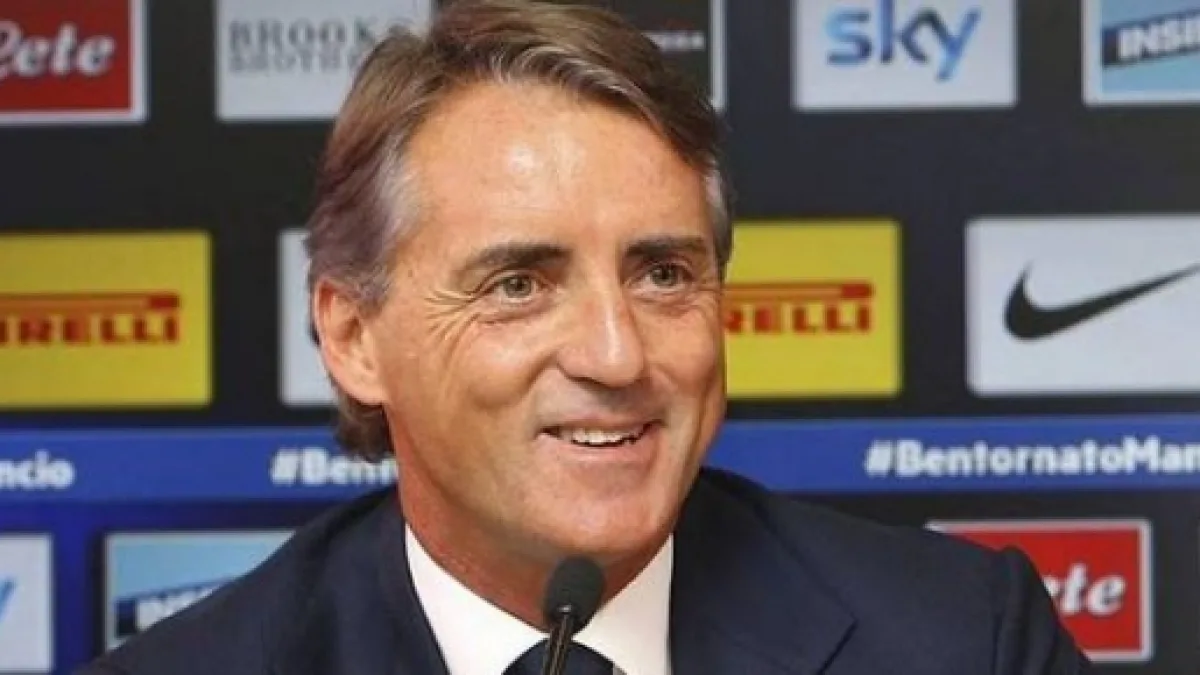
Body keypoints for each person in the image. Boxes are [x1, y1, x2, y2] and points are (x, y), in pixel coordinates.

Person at [78, 1, 1092, 673]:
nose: (617, 355)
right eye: (519, 284)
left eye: (663, 275)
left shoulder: (965, 640)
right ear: (353, 338)